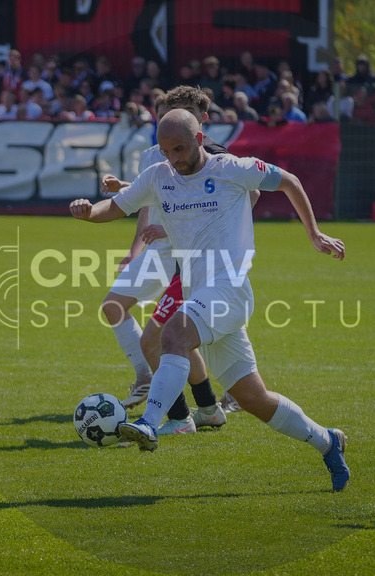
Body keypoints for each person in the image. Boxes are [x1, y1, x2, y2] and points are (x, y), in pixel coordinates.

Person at [70, 109, 351, 492]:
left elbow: (289, 181)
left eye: (180, 148)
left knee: (173, 335)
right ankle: (327, 441)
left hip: (230, 288)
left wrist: (315, 234)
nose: (174, 158)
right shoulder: (158, 176)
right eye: (167, 150)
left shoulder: (231, 168)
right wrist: (89, 213)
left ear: (200, 139)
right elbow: (116, 207)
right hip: (201, 294)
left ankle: (149, 423)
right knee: (253, 399)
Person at [96, 86, 238, 433]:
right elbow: (159, 194)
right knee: (169, 335)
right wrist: (127, 196)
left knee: (164, 339)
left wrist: (185, 230)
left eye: (190, 111)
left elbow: (237, 196)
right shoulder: (155, 156)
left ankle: (183, 416)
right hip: (169, 257)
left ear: (202, 120)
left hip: (192, 262)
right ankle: (206, 407)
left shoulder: (215, 156)